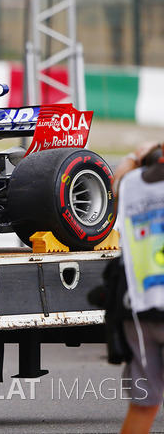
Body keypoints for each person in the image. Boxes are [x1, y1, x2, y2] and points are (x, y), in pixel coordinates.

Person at [113, 141, 164, 434]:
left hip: (140, 308)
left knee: (143, 407)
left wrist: (136, 155)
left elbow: (119, 176)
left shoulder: (132, 187)